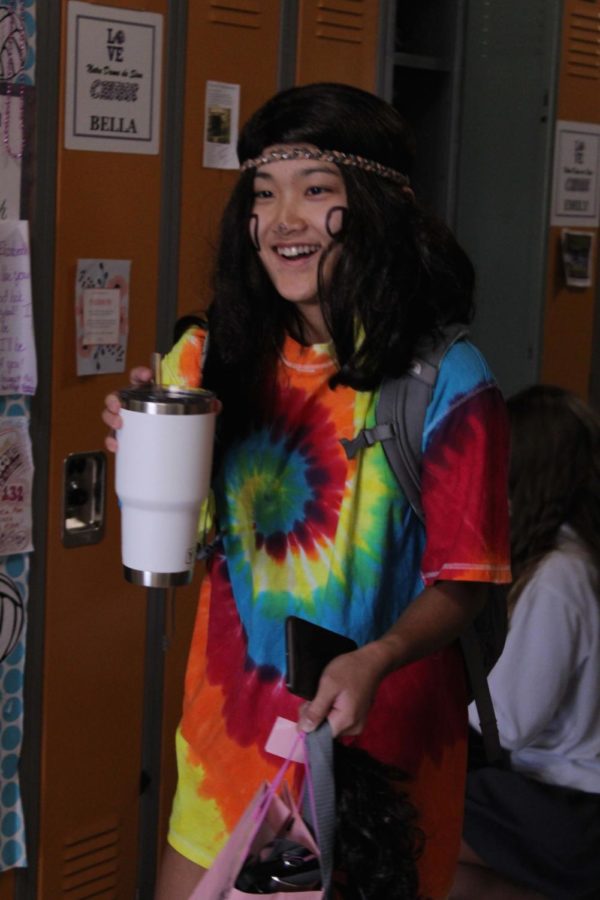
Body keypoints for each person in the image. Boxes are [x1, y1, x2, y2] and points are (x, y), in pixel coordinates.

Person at [103, 82, 511, 899]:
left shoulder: (447, 381)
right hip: (228, 750)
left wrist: (381, 657)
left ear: (375, 208)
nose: (284, 220)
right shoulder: (214, 358)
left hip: (377, 773)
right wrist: (140, 445)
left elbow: (467, 581)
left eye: (315, 191)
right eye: (265, 194)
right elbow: (187, 540)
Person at [451, 385, 600, 900]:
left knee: (415, 812)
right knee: (459, 874)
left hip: (570, 806)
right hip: (564, 800)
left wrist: (430, 683)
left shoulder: (561, 576)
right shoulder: (575, 559)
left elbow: (511, 722)